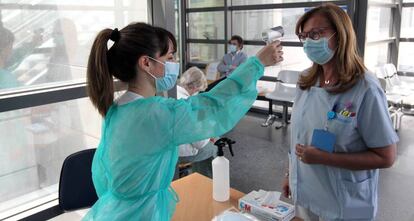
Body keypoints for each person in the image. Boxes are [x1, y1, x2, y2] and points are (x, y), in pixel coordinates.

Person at [84, 22, 283, 220]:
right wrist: (257, 63)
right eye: (169, 57)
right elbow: (214, 106)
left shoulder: (117, 109)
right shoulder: (156, 113)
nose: (174, 63)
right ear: (146, 63)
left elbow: (103, 175)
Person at [281, 4, 398, 221]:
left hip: (346, 202)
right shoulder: (306, 82)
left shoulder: (366, 89)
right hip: (306, 191)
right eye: (304, 36)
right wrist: (291, 174)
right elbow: (297, 137)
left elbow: (386, 156)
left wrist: (326, 158)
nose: (308, 42)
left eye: (316, 34)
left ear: (340, 34)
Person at [176, 67, 216, 177]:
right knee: (214, 147)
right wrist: (209, 134)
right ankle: (204, 183)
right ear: (194, 88)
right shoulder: (191, 105)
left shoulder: (170, 93)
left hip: (164, 149)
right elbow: (200, 143)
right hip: (179, 153)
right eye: (199, 91)